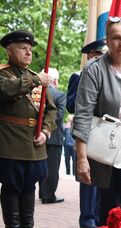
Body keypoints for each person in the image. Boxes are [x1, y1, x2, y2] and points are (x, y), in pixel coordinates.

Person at [73, 18, 121, 226]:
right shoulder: (94, 69)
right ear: (107, 41)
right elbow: (83, 114)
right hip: (103, 148)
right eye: (116, 38)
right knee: (107, 200)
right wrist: (81, 157)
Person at [0, 30, 57, 228]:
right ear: (10, 50)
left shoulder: (35, 76)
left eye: (30, 49)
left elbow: (51, 109)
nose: (28, 52)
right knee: (12, 187)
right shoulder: (4, 75)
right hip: (10, 142)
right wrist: (36, 80)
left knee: (29, 187)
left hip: (35, 144)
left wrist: (46, 130)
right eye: (23, 48)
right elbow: (6, 90)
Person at [67, 39, 107, 228]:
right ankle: (87, 218)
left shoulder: (109, 76)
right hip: (88, 130)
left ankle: (100, 216)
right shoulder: (79, 76)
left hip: (105, 132)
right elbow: (70, 104)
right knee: (89, 176)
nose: (102, 59)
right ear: (91, 55)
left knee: (104, 176)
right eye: (99, 55)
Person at [39, 67, 66, 204]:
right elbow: (59, 115)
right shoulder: (60, 95)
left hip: (38, 134)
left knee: (41, 164)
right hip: (54, 136)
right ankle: (48, 195)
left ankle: (42, 192)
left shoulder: (37, 92)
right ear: (55, 80)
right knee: (52, 168)